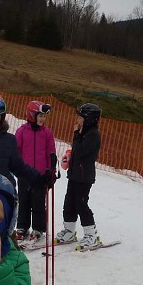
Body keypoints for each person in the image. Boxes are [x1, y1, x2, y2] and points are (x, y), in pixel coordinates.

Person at [55, 103, 102, 248]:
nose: (78, 120)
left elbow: (81, 150)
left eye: (80, 118)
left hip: (84, 177)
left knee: (81, 204)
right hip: (75, 174)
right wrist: (69, 157)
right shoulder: (84, 133)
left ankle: (91, 235)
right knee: (69, 203)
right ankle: (69, 231)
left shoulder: (93, 134)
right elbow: (77, 151)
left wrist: (76, 134)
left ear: (89, 119)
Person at [13, 100, 57, 243]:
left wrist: (51, 171)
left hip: (40, 175)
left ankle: (38, 229)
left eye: (44, 116)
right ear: (32, 115)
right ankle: (22, 227)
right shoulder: (21, 131)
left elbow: (51, 153)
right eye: (40, 116)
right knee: (24, 201)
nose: (43, 119)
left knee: (38, 203)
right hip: (24, 174)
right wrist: (16, 167)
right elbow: (16, 151)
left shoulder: (47, 133)